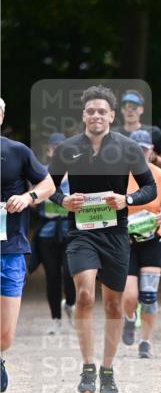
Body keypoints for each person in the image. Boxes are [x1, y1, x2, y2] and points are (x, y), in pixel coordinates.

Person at [49, 85, 157, 393]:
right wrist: (63, 199)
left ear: (111, 115)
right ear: (83, 115)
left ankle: (107, 369)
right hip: (81, 233)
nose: (96, 115)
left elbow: (149, 188)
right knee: (84, 295)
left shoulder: (127, 148)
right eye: (91, 111)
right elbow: (49, 187)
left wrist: (127, 199)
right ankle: (87, 365)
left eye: (102, 111)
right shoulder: (68, 148)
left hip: (115, 234)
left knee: (112, 303)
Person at [1, 97, 55, 393]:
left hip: (11, 251)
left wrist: (27, 197)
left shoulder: (18, 152)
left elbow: (47, 183)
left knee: (5, 335)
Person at [121, 129, 161, 358]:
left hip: (153, 239)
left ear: (151, 151)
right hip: (125, 241)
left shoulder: (160, 175)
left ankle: (145, 341)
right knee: (128, 296)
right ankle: (129, 318)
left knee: (148, 296)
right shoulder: (119, 175)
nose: (140, 154)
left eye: (144, 150)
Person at [29, 132, 76, 334]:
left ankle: (71, 304)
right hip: (47, 233)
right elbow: (31, 201)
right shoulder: (41, 174)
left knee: (72, 272)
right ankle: (55, 319)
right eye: (54, 148)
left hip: (71, 231)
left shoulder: (77, 174)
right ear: (49, 151)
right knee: (52, 276)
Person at [114, 89, 161, 172]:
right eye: (126, 106)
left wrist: (154, 158)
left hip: (147, 182)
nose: (130, 110)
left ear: (141, 109)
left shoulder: (154, 132)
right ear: (122, 110)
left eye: (134, 106)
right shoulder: (113, 134)